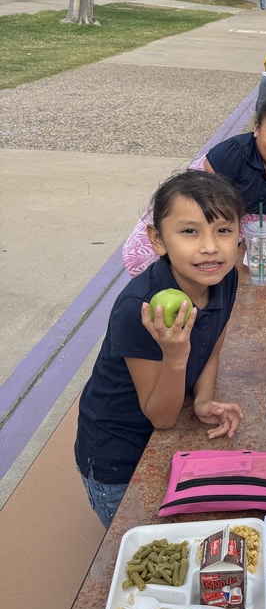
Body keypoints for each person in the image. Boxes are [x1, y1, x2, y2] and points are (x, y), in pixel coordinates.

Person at [76, 170, 244, 527]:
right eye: (189, 231)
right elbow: (162, 418)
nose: (210, 246)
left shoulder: (224, 277)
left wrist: (202, 400)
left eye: (223, 230)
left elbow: (212, 349)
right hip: (116, 456)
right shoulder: (140, 308)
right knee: (146, 555)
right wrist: (175, 354)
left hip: (163, 434)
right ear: (158, 240)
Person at [123, 93, 266, 277]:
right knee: (159, 280)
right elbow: (198, 213)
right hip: (184, 230)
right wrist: (246, 228)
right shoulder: (232, 155)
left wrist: (248, 232)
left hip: (225, 243)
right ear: (256, 128)